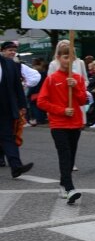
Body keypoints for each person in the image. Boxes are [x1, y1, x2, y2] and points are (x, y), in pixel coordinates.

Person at [36, 43, 87, 204]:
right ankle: (70, 188)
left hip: (75, 123)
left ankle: (63, 184)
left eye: (71, 57)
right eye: (65, 57)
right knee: (64, 155)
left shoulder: (77, 78)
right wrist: (61, 110)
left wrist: (76, 88)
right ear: (58, 58)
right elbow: (41, 102)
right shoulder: (51, 79)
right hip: (58, 124)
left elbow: (83, 100)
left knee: (71, 157)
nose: (68, 60)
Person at [0, 47, 34, 177]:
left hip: (6, 107)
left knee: (8, 136)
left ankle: (16, 167)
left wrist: (22, 105)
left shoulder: (9, 64)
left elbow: (17, 86)